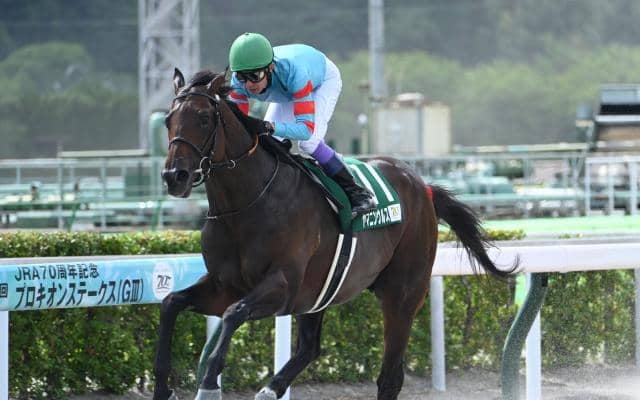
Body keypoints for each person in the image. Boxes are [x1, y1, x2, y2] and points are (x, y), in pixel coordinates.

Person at [227, 32, 377, 218]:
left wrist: (270, 127)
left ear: (270, 67)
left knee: (309, 143)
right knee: (268, 142)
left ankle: (358, 193)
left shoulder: (295, 73)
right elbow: (239, 127)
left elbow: (305, 130)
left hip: (321, 81)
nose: (249, 84)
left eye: (254, 76)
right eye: (242, 77)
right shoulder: (237, 83)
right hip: (287, 91)